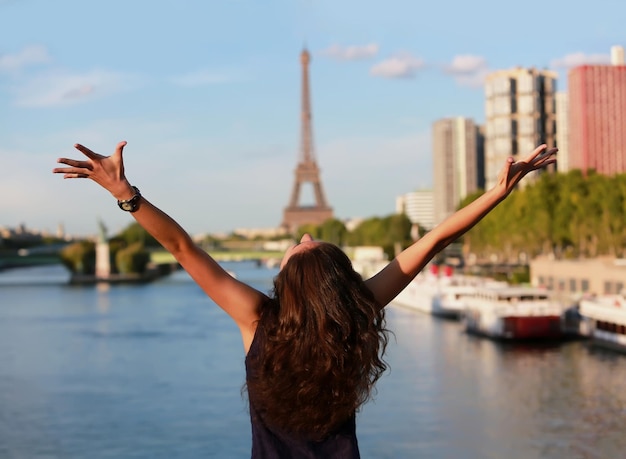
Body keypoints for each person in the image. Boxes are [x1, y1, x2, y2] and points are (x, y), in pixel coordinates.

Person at [53, 141, 556, 458]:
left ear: (288, 280)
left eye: (300, 248)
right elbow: (431, 244)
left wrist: (126, 194)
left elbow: (182, 248)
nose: (301, 240)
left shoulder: (256, 319)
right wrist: (497, 194)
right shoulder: (355, 314)